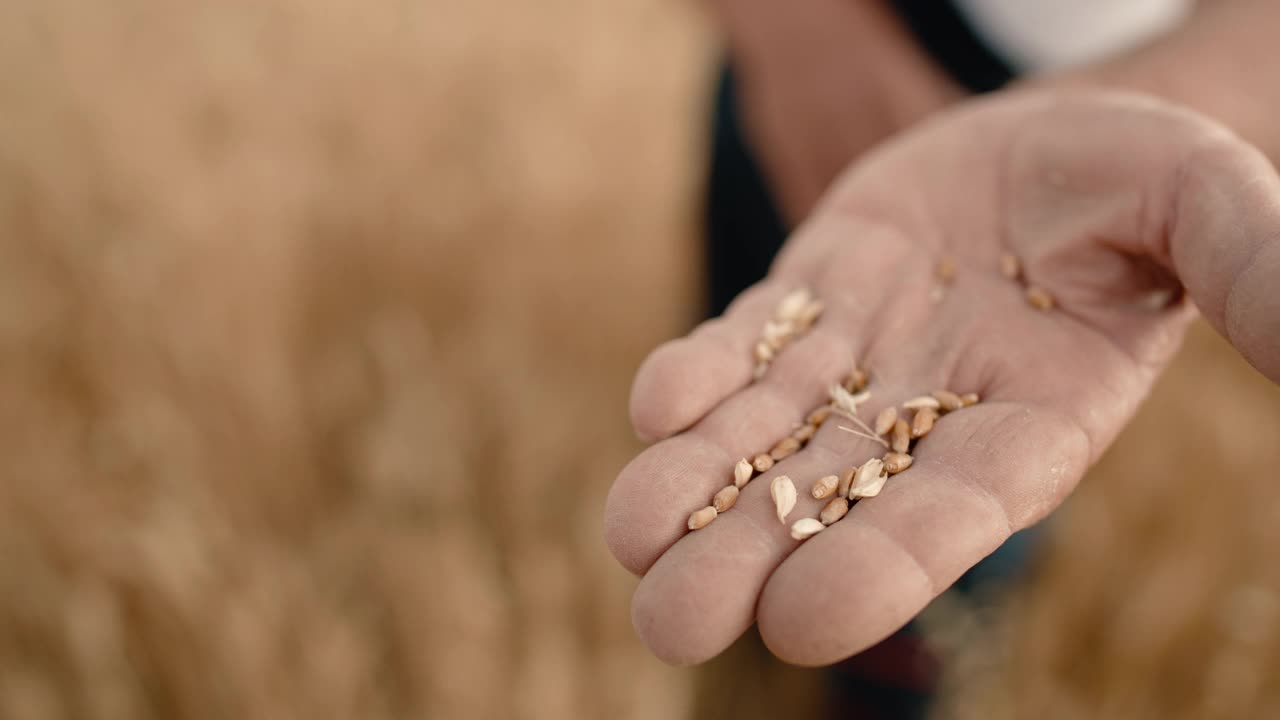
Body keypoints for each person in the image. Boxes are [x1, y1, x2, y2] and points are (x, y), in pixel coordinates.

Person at [605, 1, 1280, 715]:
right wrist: (793, 26)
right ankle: (744, 675)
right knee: (751, 387)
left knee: (960, 482)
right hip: (817, 48)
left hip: (1116, 78)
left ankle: (892, 680)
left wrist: (1190, 86)